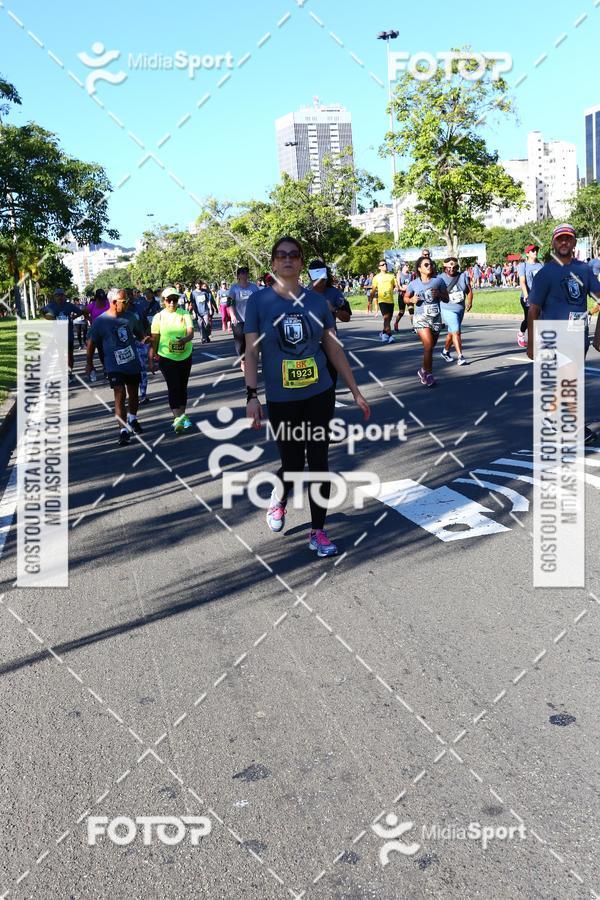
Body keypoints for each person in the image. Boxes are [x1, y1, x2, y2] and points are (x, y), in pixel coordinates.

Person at [244, 237, 370, 557]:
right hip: (282, 396)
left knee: (318, 460)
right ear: (273, 263)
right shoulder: (258, 303)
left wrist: (355, 390)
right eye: (281, 255)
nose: (288, 259)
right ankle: (280, 497)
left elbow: (333, 348)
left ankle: (318, 531)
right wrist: (251, 395)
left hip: (320, 392)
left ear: (301, 263)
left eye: (294, 255)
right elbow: (251, 352)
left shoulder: (317, 304)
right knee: (292, 463)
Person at [527, 223, 600, 445]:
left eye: (568, 238)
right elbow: (533, 309)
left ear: (575, 242)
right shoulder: (545, 273)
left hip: (579, 336)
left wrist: (598, 335)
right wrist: (531, 343)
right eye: (560, 239)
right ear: (553, 243)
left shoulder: (584, 270)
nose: (564, 242)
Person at [85, 289, 145, 445]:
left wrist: (148, 340)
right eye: (124, 302)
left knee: (133, 394)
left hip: (132, 363)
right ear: (113, 302)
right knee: (119, 393)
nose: (127, 304)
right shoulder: (100, 321)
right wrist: (89, 363)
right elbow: (90, 343)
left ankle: (132, 419)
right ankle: (123, 430)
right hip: (113, 365)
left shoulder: (130, 317)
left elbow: (140, 334)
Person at [149, 287, 195, 434]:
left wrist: (184, 340)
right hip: (166, 357)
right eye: (169, 300)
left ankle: (182, 415)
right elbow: (154, 339)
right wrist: (152, 357)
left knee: (182, 387)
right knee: (173, 386)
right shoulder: (159, 317)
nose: (172, 303)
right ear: (164, 301)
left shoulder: (184, 314)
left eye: (175, 300)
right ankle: (177, 419)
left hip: (185, 356)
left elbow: (190, 332)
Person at [404, 256, 449, 387]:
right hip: (420, 318)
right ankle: (429, 375)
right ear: (419, 269)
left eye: (430, 265)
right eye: (426, 265)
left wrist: (439, 295)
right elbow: (406, 298)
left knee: (430, 347)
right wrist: (412, 300)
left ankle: (422, 370)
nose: (429, 267)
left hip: (435, 318)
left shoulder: (438, 281)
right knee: (428, 345)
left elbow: (446, 298)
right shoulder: (414, 284)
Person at [308, 259, 351, 386]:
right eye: (316, 279)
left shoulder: (334, 293)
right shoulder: (303, 294)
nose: (320, 283)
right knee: (313, 382)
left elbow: (346, 317)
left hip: (330, 342)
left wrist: (333, 309)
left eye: (322, 279)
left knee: (331, 380)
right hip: (310, 344)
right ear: (310, 276)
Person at [40, 288, 80, 382]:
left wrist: (73, 317)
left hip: (69, 334)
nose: (60, 297)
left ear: (64, 296)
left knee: (70, 356)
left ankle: (69, 373)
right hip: (58, 335)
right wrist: (49, 318)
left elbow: (79, 312)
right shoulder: (51, 305)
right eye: (57, 295)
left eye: (61, 295)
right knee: (61, 355)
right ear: (54, 297)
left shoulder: (69, 305)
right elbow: (42, 312)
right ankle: (64, 374)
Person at [439, 257, 473, 365]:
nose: (452, 269)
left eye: (454, 267)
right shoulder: (440, 279)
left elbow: (469, 290)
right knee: (457, 331)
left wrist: (470, 301)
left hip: (460, 308)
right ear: (444, 268)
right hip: (447, 308)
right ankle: (460, 356)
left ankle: (445, 351)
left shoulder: (462, 276)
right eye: (449, 268)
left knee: (452, 331)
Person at [228, 266, 259, 372]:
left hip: (252, 319)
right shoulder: (234, 288)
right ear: (238, 276)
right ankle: (243, 360)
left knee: (253, 342)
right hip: (238, 320)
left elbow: (258, 302)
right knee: (241, 343)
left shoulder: (254, 287)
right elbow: (230, 303)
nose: (244, 275)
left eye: (246, 272)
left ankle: (252, 361)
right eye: (242, 273)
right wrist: (232, 315)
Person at [517, 244, 543, 348]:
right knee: (529, 319)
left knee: (540, 318)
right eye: (532, 251)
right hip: (527, 296)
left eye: (536, 250)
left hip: (539, 297)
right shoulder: (523, 265)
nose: (535, 252)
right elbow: (522, 281)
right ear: (527, 254)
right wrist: (527, 295)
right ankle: (520, 333)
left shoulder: (540, 265)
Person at [84, 289, 110, 380]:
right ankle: (105, 368)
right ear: (96, 298)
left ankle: (109, 368)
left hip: (108, 331)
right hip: (97, 331)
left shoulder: (108, 303)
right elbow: (85, 312)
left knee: (108, 350)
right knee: (101, 351)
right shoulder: (92, 305)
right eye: (100, 298)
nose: (102, 300)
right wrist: (90, 320)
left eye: (103, 298)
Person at [369, 260, 397, 343]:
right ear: (379, 267)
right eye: (382, 264)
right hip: (382, 300)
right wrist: (370, 301)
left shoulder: (391, 276)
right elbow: (373, 290)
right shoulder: (376, 277)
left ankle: (384, 333)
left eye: (385, 264)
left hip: (390, 300)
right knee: (386, 318)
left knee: (388, 320)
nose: (385, 265)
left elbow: (394, 286)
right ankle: (390, 335)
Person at [394, 262, 413, 331]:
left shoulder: (410, 275)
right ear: (403, 267)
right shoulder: (399, 274)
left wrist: (409, 289)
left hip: (409, 295)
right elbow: (398, 285)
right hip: (402, 295)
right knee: (401, 312)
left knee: (411, 311)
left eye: (408, 265)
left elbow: (412, 284)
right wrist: (403, 288)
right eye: (407, 265)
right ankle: (396, 323)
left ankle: (413, 327)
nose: (408, 267)